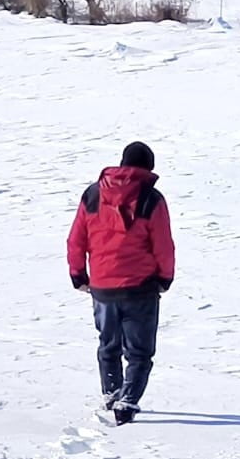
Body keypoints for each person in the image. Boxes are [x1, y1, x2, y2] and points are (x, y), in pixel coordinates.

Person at [67, 141, 175, 426]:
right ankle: (127, 401)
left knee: (108, 345)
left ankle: (112, 394)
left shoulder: (92, 195)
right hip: (140, 288)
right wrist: (165, 277)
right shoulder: (152, 199)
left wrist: (78, 274)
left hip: (102, 287)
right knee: (139, 352)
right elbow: (163, 244)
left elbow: (77, 238)